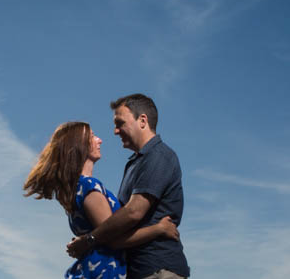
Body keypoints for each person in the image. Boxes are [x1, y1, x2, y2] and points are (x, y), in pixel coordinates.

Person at [24, 121, 179, 279]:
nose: (99, 140)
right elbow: (114, 240)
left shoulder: (78, 188)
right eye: (92, 136)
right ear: (79, 146)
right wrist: (159, 229)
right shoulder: (89, 187)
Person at [66, 94, 190, 279]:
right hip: (137, 270)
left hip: (159, 269)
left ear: (142, 121)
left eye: (120, 123)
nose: (115, 131)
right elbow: (118, 224)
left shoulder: (158, 156)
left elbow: (133, 212)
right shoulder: (134, 163)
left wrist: (90, 239)